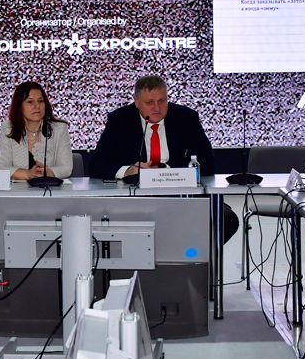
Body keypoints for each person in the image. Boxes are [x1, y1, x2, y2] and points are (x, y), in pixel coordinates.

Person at [88, 75, 238, 242]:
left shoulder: (186, 118)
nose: (157, 108)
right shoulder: (120, 120)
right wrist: (129, 171)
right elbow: (96, 164)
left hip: (180, 195)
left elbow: (207, 162)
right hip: (135, 197)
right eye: (150, 103)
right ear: (136, 101)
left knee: (226, 219)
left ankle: (194, 256)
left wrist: (164, 170)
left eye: (162, 101)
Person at [0, 81, 73, 180]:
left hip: (50, 188)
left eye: (40, 101)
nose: (37, 106)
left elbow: (66, 168)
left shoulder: (59, 129)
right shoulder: (8, 128)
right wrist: (28, 174)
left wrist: (48, 172)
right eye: (30, 102)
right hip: (18, 188)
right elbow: (1, 167)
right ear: (19, 106)